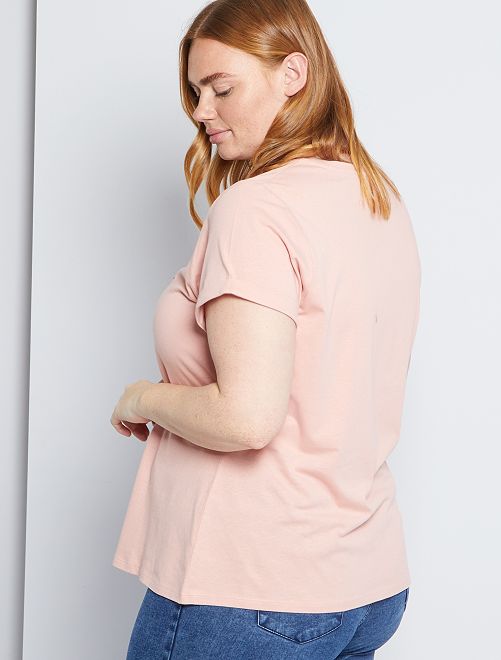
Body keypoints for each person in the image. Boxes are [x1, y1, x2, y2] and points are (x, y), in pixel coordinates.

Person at [110, 0, 420, 657]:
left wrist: (142, 398)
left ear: (293, 74)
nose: (201, 111)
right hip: (364, 581)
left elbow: (246, 418)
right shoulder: (376, 196)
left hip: (249, 588)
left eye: (221, 88)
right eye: (195, 92)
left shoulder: (255, 208)